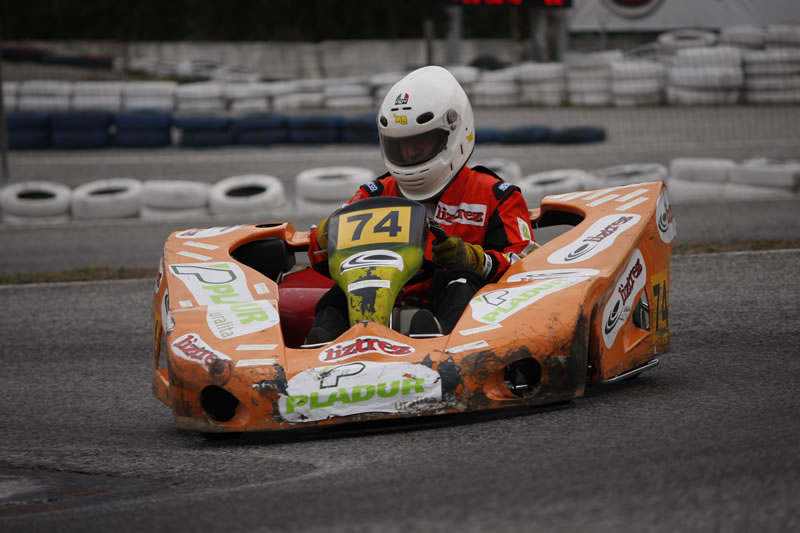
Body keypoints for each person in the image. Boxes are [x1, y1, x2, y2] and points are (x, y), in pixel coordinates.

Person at [306, 65, 535, 343]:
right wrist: (324, 235)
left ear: (453, 134)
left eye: (422, 142)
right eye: (403, 145)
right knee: (340, 294)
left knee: (459, 280)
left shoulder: (496, 196)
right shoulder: (375, 195)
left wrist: (475, 260)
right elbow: (320, 259)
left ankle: (449, 349)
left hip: (457, 310)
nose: (411, 153)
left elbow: (527, 266)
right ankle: (322, 352)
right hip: (385, 300)